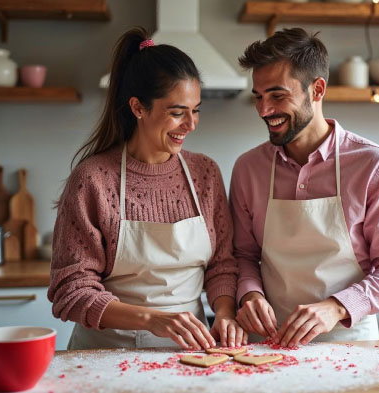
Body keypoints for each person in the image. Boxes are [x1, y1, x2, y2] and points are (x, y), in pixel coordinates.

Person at [48, 27, 245, 350]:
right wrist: (153, 319)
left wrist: (224, 313)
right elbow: (71, 290)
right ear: (138, 108)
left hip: (190, 350)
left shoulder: (204, 173)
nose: (191, 125)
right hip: (106, 352)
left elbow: (222, 264)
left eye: (195, 111)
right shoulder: (93, 179)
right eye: (177, 113)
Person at [231, 28, 379, 347]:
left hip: (349, 340)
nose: (264, 110)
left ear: (317, 90)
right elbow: (244, 255)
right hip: (270, 341)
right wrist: (249, 294)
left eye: (277, 95)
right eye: (258, 97)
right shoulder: (249, 168)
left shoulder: (374, 165)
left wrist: (337, 307)